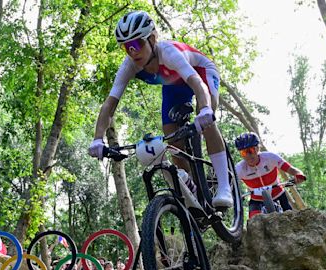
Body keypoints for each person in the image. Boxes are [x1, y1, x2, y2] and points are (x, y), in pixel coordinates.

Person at [88, 10, 233, 208]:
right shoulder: (129, 66)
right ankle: (193, 190)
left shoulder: (169, 53)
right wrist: (98, 138)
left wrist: (206, 109)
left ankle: (224, 187)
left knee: (206, 121)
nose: (132, 52)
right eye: (126, 47)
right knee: (172, 140)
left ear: (153, 39)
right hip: (173, 84)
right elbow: (109, 104)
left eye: (136, 44)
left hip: (200, 72)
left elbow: (197, 84)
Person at [234, 132, 306, 219]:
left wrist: (299, 174)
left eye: (251, 150)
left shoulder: (270, 157)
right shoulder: (239, 168)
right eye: (244, 153)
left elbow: (290, 169)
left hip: (278, 194)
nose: (248, 156)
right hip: (257, 199)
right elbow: (230, 184)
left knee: (290, 219)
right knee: (253, 222)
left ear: (257, 148)